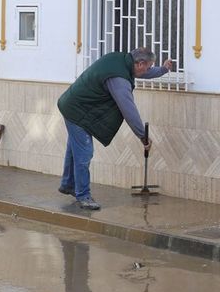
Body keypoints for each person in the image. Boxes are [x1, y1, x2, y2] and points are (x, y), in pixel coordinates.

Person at [57, 48, 174, 211]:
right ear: (140, 63)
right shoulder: (119, 79)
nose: (148, 70)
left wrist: (163, 70)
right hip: (76, 110)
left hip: (75, 105)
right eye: (148, 67)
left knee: (75, 149)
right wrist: (143, 136)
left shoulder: (122, 61)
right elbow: (128, 110)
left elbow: (143, 73)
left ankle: (68, 184)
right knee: (84, 153)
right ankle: (83, 196)